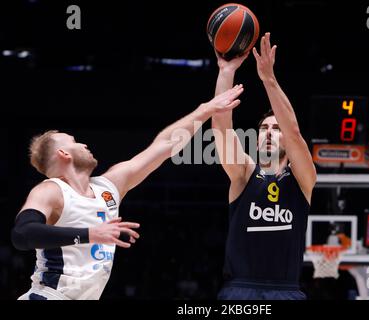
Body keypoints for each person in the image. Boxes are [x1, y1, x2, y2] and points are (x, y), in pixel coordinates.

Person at [11, 85, 244, 300]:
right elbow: (22, 234)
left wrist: (205, 110)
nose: (83, 144)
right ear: (63, 153)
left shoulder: (108, 187)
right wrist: (90, 234)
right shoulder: (51, 190)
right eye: (75, 141)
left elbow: (163, 146)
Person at [212, 33, 317, 300]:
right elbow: (221, 129)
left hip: (285, 291)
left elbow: (293, 132)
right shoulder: (244, 174)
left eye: (275, 128)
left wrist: (269, 80)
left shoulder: (303, 179)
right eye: (263, 128)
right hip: (240, 290)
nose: (269, 133)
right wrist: (226, 71)